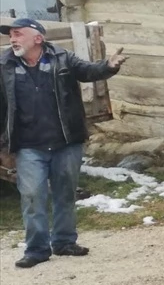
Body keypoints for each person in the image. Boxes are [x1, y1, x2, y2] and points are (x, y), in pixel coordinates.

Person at [0, 18, 127, 269]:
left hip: (66, 142)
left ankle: (64, 242)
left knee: (64, 194)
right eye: (11, 35)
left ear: (37, 38)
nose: (12, 39)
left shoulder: (62, 58)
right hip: (28, 146)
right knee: (33, 196)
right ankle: (36, 249)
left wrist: (109, 66)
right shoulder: (4, 65)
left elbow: (88, 71)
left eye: (17, 34)